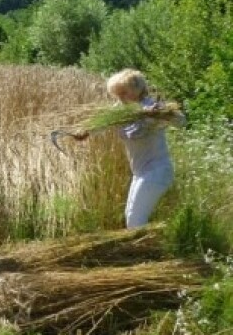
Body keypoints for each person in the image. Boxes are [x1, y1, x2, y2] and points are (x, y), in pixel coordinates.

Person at [77, 69, 184, 228]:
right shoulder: (120, 111)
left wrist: (160, 114)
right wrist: (85, 132)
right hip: (139, 172)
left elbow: (181, 121)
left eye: (124, 93)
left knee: (135, 219)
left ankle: (143, 250)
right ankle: (145, 249)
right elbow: (101, 124)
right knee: (130, 217)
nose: (120, 98)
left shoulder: (152, 107)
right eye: (117, 94)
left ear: (137, 89)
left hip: (157, 171)